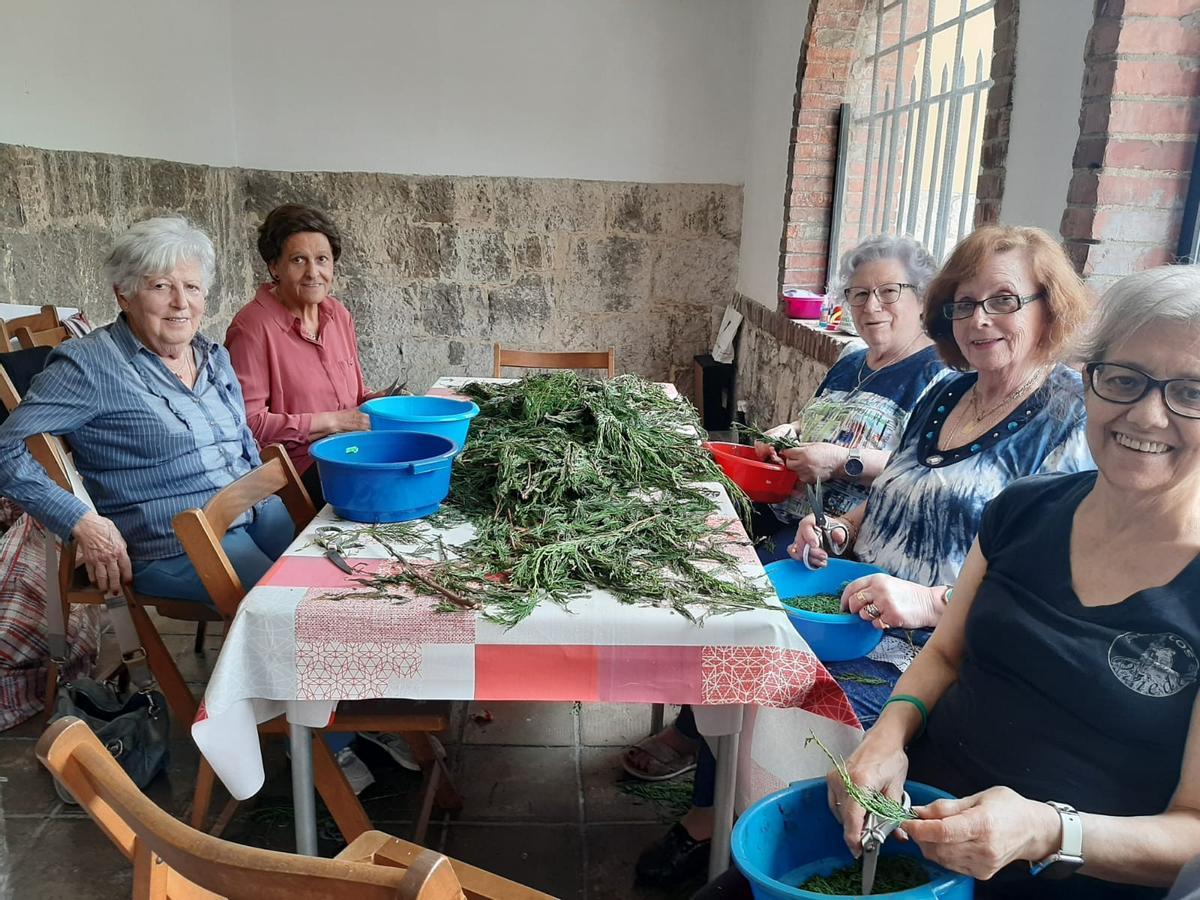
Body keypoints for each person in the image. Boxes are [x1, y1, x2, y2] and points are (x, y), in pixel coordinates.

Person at [638, 224, 1095, 890]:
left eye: (1003, 301)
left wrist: (933, 602)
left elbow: (1052, 585)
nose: (979, 319)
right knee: (736, 646)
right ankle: (733, 826)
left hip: (938, 651)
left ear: (1049, 308)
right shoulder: (946, 393)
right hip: (858, 607)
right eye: (965, 304)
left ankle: (797, 852)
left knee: (790, 697)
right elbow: (891, 497)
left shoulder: (1067, 418)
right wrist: (841, 534)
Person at [820, 265, 1200, 899]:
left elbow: (1192, 832)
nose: (1149, 416)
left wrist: (1049, 833)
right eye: (1124, 379)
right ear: (1089, 380)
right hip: (917, 835)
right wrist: (886, 738)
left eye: (1191, 392)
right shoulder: (1023, 510)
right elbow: (943, 653)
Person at [0, 218, 376, 792]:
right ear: (123, 293)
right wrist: (82, 521)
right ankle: (323, 748)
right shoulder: (90, 366)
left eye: (193, 288)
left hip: (255, 513)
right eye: (160, 287)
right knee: (293, 614)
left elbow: (246, 446)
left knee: (353, 577)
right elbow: (6, 447)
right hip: (178, 543)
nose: (181, 304)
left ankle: (357, 708)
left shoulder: (209, 353)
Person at [625, 235, 946, 786]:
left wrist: (841, 461)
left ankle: (710, 774)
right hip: (795, 512)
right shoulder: (850, 361)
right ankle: (699, 729)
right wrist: (791, 436)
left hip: (847, 545)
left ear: (923, 296)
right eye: (859, 293)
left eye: (889, 292)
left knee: (742, 621)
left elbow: (918, 470)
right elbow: (818, 423)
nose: (872, 307)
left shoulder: (937, 375)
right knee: (702, 578)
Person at [225, 204, 371, 507]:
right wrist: (333, 422)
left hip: (348, 451)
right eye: (298, 260)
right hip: (296, 473)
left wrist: (381, 402)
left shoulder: (338, 315)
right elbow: (248, 424)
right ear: (274, 266)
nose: (313, 273)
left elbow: (355, 396)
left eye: (322, 260)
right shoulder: (253, 327)